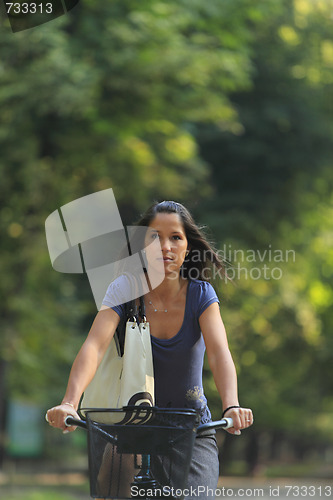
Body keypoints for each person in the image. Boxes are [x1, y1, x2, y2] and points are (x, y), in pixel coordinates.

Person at [46, 200, 253, 499]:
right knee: (112, 490)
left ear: (188, 247)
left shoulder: (201, 294)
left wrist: (232, 404)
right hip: (133, 423)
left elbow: (220, 353)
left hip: (189, 427)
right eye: (154, 237)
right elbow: (94, 346)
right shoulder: (124, 289)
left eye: (175, 237)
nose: (165, 246)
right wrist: (69, 402)